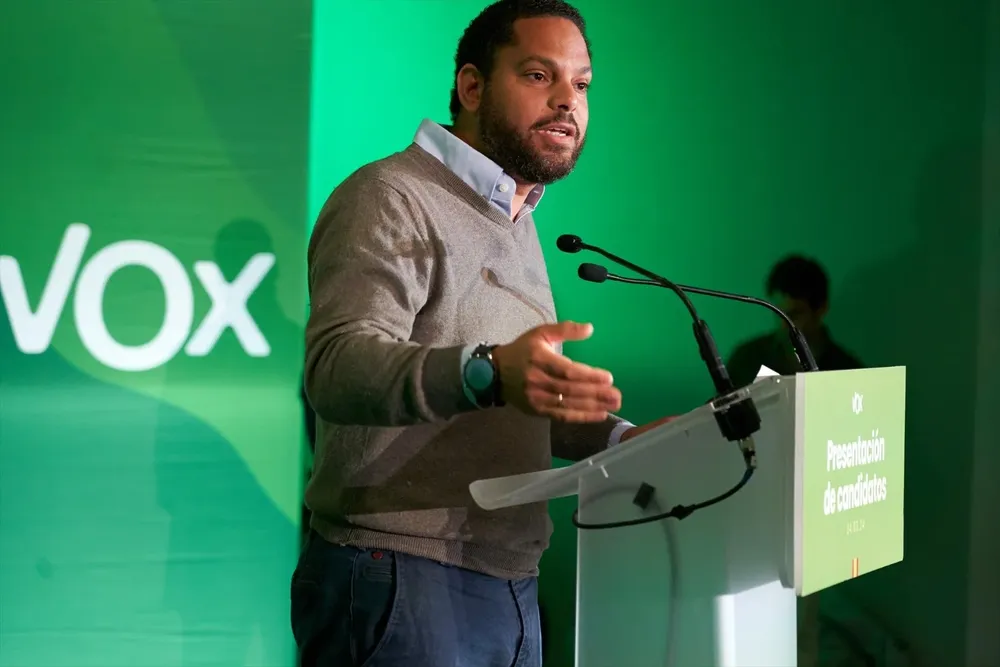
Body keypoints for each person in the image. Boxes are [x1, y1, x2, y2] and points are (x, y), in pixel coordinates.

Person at [291, 1, 671, 666]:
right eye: (538, 76)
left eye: (581, 85)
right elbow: (338, 366)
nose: (567, 103)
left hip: (509, 579)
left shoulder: (517, 221)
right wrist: (491, 369)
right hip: (399, 572)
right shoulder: (391, 195)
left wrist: (620, 439)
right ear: (471, 86)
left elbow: (515, 400)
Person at [726, 254, 863, 386]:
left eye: (794, 314)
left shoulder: (847, 371)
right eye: (777, 312)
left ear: (821, 308)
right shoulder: (746, 361)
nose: (783, 324)